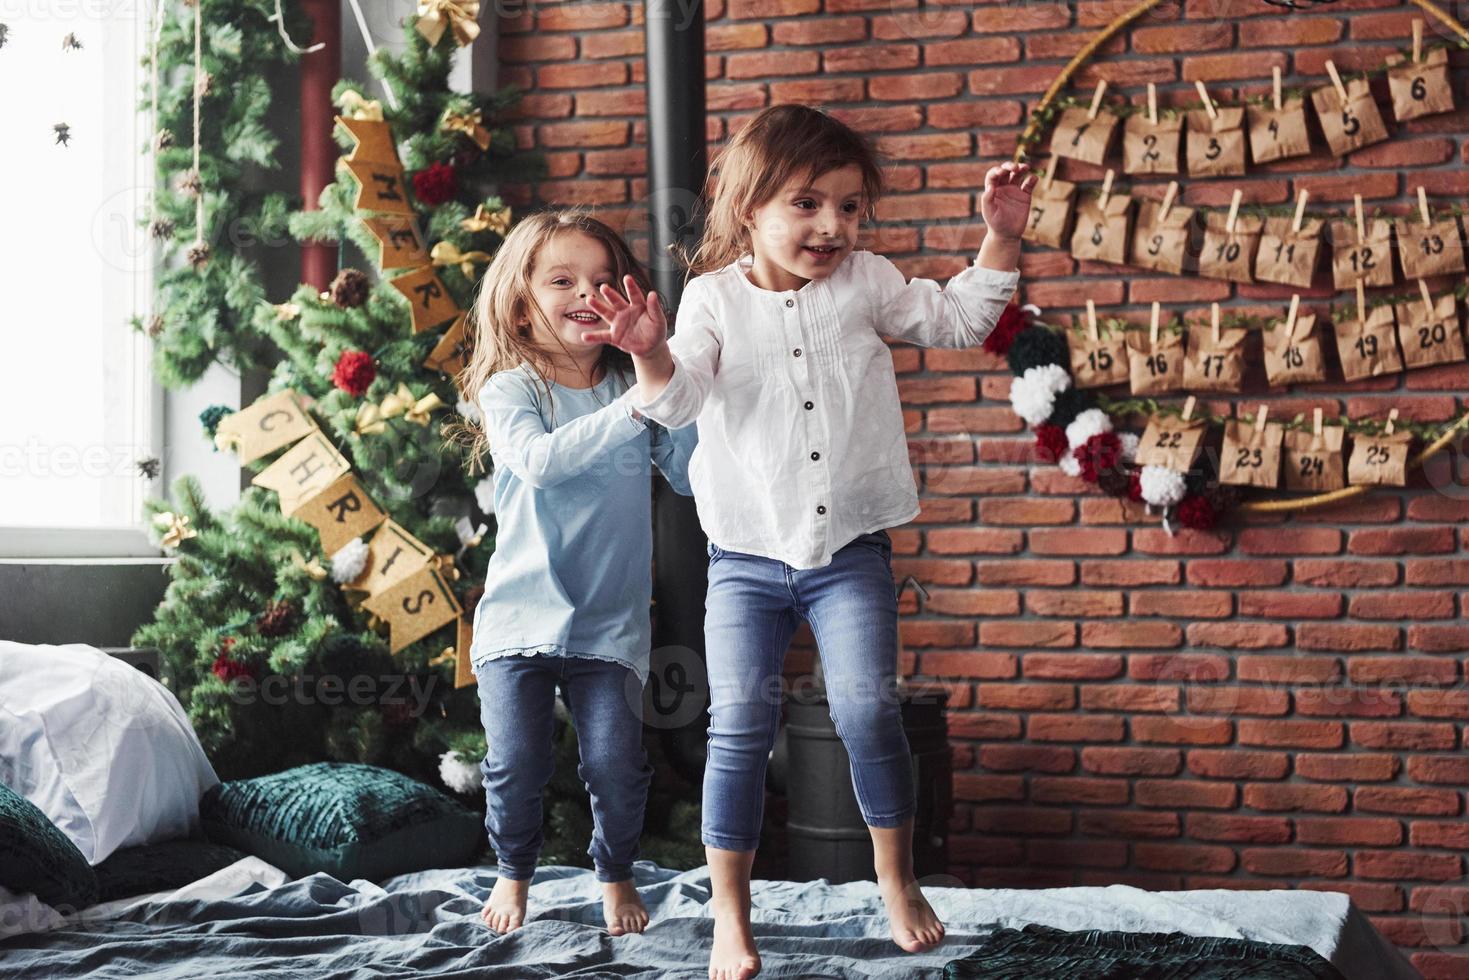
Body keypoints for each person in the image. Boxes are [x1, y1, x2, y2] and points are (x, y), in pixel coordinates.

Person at [580, 104, 1035, 980]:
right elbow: (675, 405)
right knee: (738, 729)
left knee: (868, 712)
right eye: (806, 204)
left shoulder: (867, 282)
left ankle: (895, 881)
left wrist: (1000, 241)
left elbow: (957, 322)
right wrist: (646, 352)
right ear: (747, 207)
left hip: (849, 554)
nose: (832, 225)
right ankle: (730, 918)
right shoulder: (710, 300)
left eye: (851, 207)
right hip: (746, 561)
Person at [457, 207, 698, 938]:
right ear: (522, 300)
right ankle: (513, 873)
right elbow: (537, 463)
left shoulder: (633, 386)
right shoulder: (512, 390)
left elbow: (687, 477)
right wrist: (637, 403)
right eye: (562, 279)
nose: (585, 293)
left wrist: (657, 374)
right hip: (517, 619)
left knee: (618, 767)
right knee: (517, 765)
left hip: (610, 622)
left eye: (601, 279)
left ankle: (615, 873)